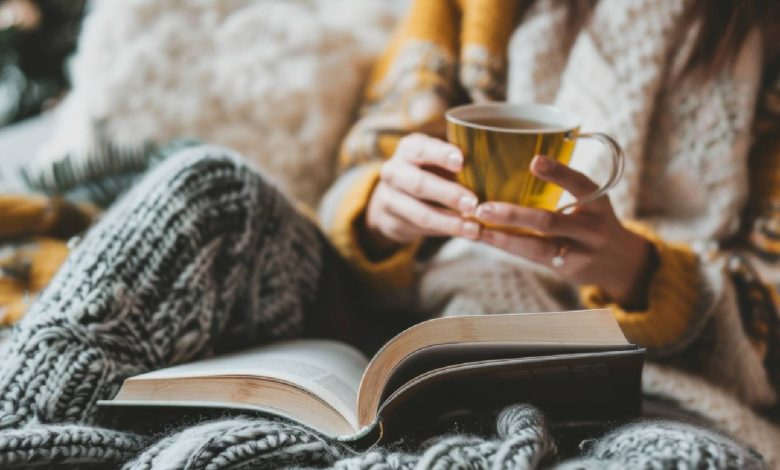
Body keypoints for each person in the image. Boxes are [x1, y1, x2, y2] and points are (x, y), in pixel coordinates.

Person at [0, 0, 778, 467]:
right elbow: (361, 169)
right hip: (389, 317)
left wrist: (643, 272)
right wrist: (383, 211)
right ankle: (18, 430)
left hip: (632, 377)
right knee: (208, 188)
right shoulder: (466, 11)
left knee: (694, 460)